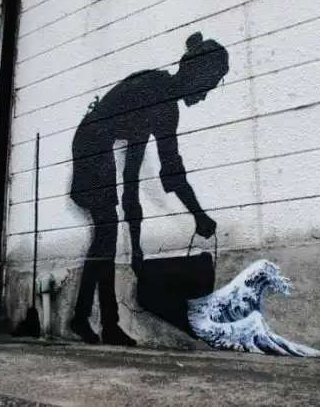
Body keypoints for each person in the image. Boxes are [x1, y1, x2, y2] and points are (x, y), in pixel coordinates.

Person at [69, 32, 230, 346]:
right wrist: (198, 215)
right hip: (90, 143)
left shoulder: (163, 105)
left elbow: (137, 176)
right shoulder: (156, 94)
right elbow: (166, 175)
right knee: (106, 233)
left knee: (105, 235)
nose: (204, 97)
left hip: (96, 143)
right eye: (207, 87)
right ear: (195, 75)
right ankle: (100, 322)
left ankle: (93, 321)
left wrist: (137, 246)